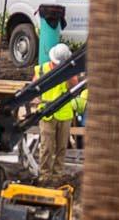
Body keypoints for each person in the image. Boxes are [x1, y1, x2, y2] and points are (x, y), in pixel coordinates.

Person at [35, 40, 86, 181]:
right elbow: (34, 90)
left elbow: (74, 87)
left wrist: (69, 74)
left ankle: (57, 175)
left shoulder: (69, 71)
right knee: (46, 147)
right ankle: (44, 176)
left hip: (64, 113)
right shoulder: (42, 69)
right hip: (47, 114)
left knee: (61, 148)